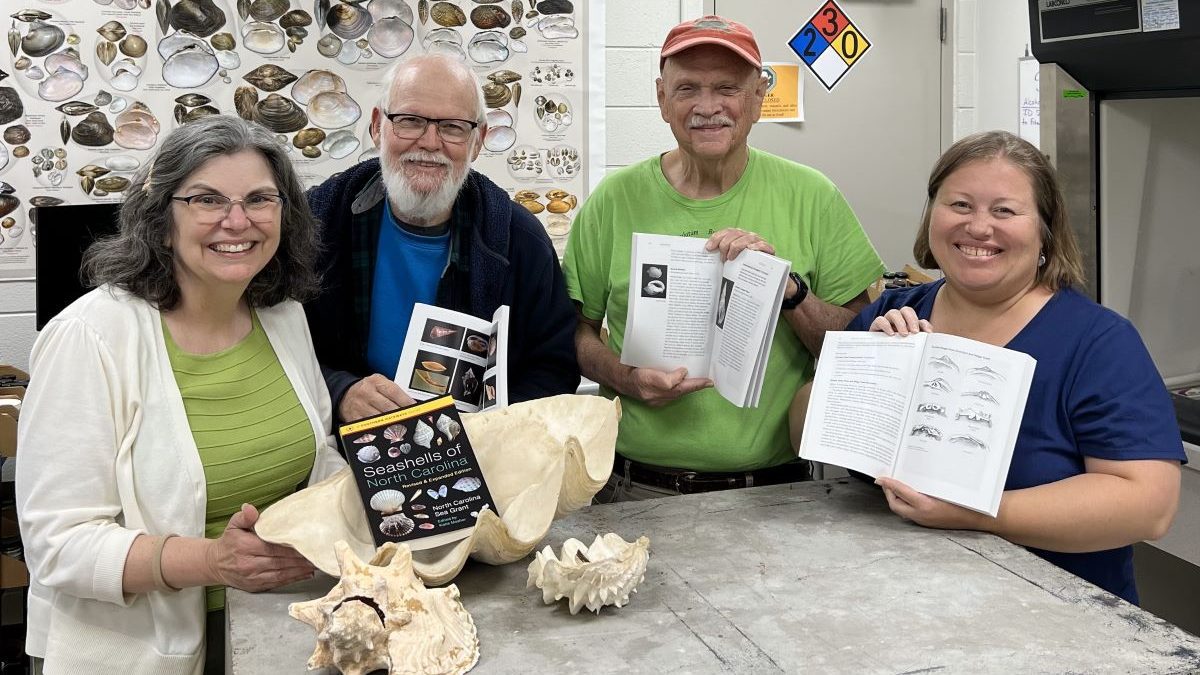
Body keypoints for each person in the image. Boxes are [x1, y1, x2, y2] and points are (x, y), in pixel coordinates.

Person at [16, 115, 347, 674]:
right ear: (162, 218)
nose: (236, 220)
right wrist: (216, 562)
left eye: (260, 199)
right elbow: (57, 544)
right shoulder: (91, 337)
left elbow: (320, 461)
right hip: (141, 652)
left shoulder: (284, 318)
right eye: (207, 199)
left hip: (276, 632)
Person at [851, 130, 1184, 604]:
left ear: (1045, 230)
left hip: (1058, 623)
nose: (979, 227)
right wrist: (871, 368)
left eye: (1004, 210)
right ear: (932, 216)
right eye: (960, 205)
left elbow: (1148, 505)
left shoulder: (1097, 342)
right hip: (899, 598)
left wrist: (978, 512)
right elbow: (802, 425)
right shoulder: (893, 315)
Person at [563, 15, 885, 500]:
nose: (707, 107)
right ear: (661, 98)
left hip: (780, 493)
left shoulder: (813, 196)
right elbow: (576, 332)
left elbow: (863, 353)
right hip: (633, 488)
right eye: (688, 87)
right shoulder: (613, 201)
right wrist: (625, 378)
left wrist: (789, 292)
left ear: (758, 97)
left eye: (727, 88)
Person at [305, 54, 579, 423]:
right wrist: (339, 392)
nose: (430, 142)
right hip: (347, 455)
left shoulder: (519, 239)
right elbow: (275, 348)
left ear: (477, 141)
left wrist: (489, 429)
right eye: (410, 121)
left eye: (452, 126)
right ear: (376, 127)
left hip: (479, 459)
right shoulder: (317, 223)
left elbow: (554, 366)